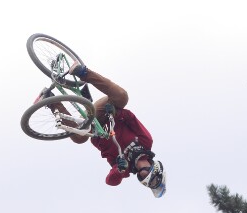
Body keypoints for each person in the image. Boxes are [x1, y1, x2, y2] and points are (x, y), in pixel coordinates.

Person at [49, 62, 166, 197]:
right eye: (152, 182)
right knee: (122, 97)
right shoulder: (146, 142)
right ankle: (83, 72)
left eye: (148, 184)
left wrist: (119, 171)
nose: (147, 182)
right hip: (107, 112)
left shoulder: (125, 168)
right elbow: (131, 117)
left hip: (94, 126)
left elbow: (110, 181)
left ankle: (50, 100)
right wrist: (116, 113)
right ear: (156, 170)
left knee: (79, 138)